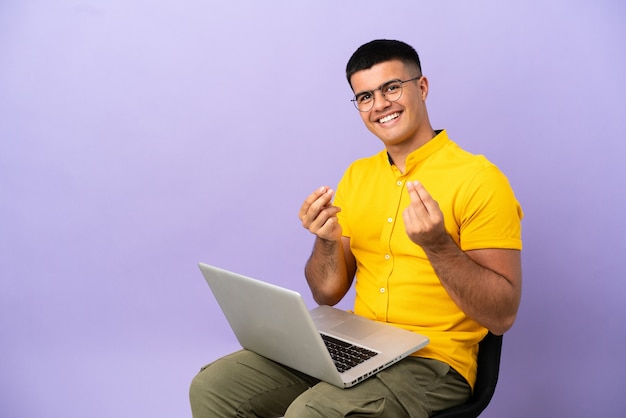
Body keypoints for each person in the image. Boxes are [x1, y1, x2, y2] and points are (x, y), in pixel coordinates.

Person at [189, 39, 523, 418]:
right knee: (214, 388)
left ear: (423, 87)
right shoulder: (357, 176)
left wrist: (437, 245)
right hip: (356, 345)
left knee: (310, 414)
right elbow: (327, 293)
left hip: (432, 361)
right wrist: (325, 240)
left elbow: (502, 316)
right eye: (364, 96)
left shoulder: (479, 179)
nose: (379, 104)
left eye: (391, 87)